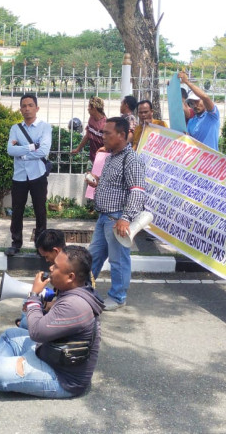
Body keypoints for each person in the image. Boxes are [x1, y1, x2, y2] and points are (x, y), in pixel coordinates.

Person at [0, 245, 104, 398]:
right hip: (53, 354)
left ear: (71, 277)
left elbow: (36, 332)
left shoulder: (75, 305)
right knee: (10, 336)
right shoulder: (77, 292)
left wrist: (34, 295)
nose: (51, 269)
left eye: (56, 267)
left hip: (63, 379)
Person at [84, 117, 148, 311]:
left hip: (117, 219)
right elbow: (115, 185)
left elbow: (137, 191)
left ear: (121, 135)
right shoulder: (112, 157)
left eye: (107, 133)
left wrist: (125, 219)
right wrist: (97, 182)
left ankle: (118, 296)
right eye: (103, 132)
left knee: (118, 260)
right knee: (93, 257)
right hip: (104, 217)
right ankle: (85, 290)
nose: (102, 137)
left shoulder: (131, 159)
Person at [5, 93, 51, 256]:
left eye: (30, 105)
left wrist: (22, 152)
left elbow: (44, 151)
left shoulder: (45, 127)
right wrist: (32, 148)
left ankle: (41, 245)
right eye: (24, 106)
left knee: (40, 210)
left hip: (38, 174)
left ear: (37, 108)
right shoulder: (15, 129)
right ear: (20, 109)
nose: (27, 109)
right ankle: (16, 243)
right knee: (17, 210)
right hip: (19, 176)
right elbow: (10, 150)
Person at [178, 70, 220, 150]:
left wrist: (187, 82)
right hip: (198, 161)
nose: (195, 105)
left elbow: (205, 97)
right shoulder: (191, 121)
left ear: (203, 101)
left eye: (197, 101)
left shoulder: (212, 116)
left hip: (211, 160)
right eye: (192, 103)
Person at [71, 96, 107, 162]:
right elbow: (87, 136)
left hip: (102, 158)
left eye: (89, 107)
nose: (88, 109)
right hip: (92, 157)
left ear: (94, 108)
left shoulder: (105, 124)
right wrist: (78, 149)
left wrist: (104, 149)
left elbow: (109, 143)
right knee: (89, 172)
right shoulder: (91, 119)